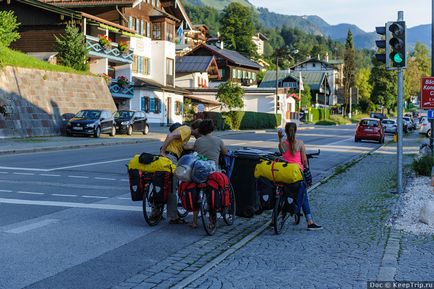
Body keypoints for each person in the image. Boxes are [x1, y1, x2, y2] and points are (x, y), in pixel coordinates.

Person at [278, 122, 322, 231]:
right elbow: (304, 161)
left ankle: (275, 218)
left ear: (286, 132)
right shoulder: (300, 143)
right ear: (295, 131)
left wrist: (279, 139)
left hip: (284, 174)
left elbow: (282, 154)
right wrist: (306, 168)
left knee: (281, 192)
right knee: (304, 195)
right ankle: (310, 222)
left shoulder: (282, 144)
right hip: (297, 175)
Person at [158, 120, 202, 224]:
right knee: (172, 187)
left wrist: (197, 146)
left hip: (170, 156)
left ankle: (156, 212)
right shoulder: (186, 130)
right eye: (200, 132)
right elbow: (170, 136)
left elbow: (184, 146)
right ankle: (173, 217)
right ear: (197, 129)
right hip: (170, 156)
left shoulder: (186, 133)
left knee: (163, 183)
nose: (199, 135)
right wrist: (162, 151)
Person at [190, 119, 228, 228]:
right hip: (212, 172)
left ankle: (194, 222)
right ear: (212, 129)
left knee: (197, 191)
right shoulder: (218, 140)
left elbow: (195, 152)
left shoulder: (198, 141)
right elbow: (225, 152)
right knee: (213, 191)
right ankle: (212, 220)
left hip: (199, 172)